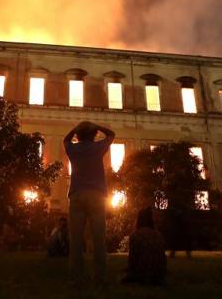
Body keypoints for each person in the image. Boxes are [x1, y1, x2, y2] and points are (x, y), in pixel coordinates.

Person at [64, 121, 115, 286]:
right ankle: (100, 277)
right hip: (97, 195)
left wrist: (77, 126)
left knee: (76, 239)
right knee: (99, 238)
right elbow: (112, 134)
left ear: (78, 135)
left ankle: (76, 278)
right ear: (93, 135)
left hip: (77, 194)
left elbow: (66, 139)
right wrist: (96, 125)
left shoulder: (73, 149)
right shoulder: (98, 148)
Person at [122, 208, 167, 285]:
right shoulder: (159, 235)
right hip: (159, 275)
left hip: (141, 274)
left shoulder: (135, 236)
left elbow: (132, 259)